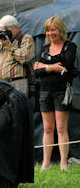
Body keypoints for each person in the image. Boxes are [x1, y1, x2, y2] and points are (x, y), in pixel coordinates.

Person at [33, 16, 77, 171]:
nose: (50, 33)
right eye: (48, 30)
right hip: (44, 91)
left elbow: (67, 67)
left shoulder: (69, 46)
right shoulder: (45, 49)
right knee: (47, 128)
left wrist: (44, 66)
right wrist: (52, 68)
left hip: (61, 91)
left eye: (53, 30)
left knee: (61, 127)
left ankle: (63, 162)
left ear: (60, 30)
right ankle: (45, 163)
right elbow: (35, 70)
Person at [0, 15, 35, 95]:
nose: (4, 33)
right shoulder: (0, 40)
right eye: (1, 30)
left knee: (17, 106)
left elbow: (25, 58)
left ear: (15, 27)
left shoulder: (25, 38)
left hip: (17, 82)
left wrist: (8, 46)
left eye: (6, 30)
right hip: (0, 83)